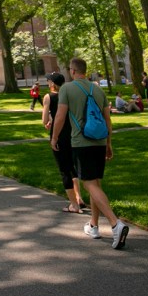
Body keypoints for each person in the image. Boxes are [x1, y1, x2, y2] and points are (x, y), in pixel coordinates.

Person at [52, 56, 129, 250]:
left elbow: (60, 116)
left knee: (88, 184)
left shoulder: (67, 89)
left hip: (81, 142)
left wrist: (54, 138)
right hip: (100, 141)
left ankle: (115, 223)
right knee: (95, 182)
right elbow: (107, 120)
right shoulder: (98, 89)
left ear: (72, 70)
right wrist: (109, 144)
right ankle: (93, 226)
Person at [42, 72, 85, 214]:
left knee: (64, 169)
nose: (47, 83)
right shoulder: (69, 94)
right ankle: (79, 198)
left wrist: (49, 122)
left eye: (48, 81)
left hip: (58, 134)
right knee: (72, 167)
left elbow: (44, 120)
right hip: (72, 132)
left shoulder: (48, 97)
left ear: (53, 83)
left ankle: (74, 205)